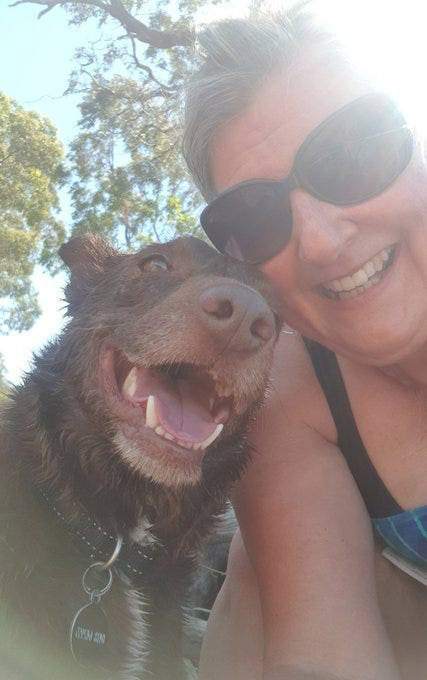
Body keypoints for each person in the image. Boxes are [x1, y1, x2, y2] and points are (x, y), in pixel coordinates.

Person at [182, 3, 427, 680]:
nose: (320, 241)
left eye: (349, 155)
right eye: (257, 217)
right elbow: (318, 652)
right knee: (257, 573)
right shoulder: (292, 388)